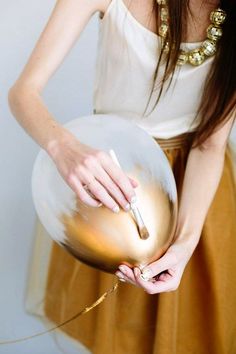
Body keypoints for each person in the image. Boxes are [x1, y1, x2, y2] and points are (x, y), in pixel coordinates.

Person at [8, 0, 236, 353]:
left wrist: (184, 245)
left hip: (196, 197)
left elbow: (210, 143)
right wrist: (62, 147)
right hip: (110, 187)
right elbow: (23, 91)